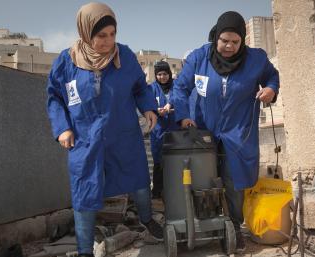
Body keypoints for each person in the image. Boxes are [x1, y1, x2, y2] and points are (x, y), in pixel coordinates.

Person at [46, 3, 163, 256]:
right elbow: (55, 97)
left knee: (140, 178)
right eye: (101, 36)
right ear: (86, 33)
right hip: (85, 138)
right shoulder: (66, 62)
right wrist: (62, 128)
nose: (108, 41)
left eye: (112, 34)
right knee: (84, 191)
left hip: (123, 134)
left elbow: (140, 88)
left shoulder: (125, 56)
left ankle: (147, 218)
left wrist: (148, 108)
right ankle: (85, 249)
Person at [172, 11, 279, 251]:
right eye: (224, 40)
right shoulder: (199, 57)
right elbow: (180, 87)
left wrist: (271, 89)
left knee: (233, 181)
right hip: (202, 129)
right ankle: (204, 223)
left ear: (242, 41)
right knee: (201, 179)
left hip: (238, 130)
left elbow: (272, 76)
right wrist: (184, 117)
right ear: (216, 38)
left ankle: (233, 226)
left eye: (235, 41)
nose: (229, 46)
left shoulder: (256, 59)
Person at [149, 61, 179, 198]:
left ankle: (175, 192)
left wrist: (170, 108)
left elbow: (181, 100)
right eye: (159, 74)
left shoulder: (176, 86)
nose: (162, 77)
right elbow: (147, 105)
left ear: (169, 74)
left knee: (176, 162)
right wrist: (156, 111)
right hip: (158, 132)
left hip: (175, 130)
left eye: (165, 74)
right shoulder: (151, 88)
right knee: (158, 163)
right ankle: (157, 193)